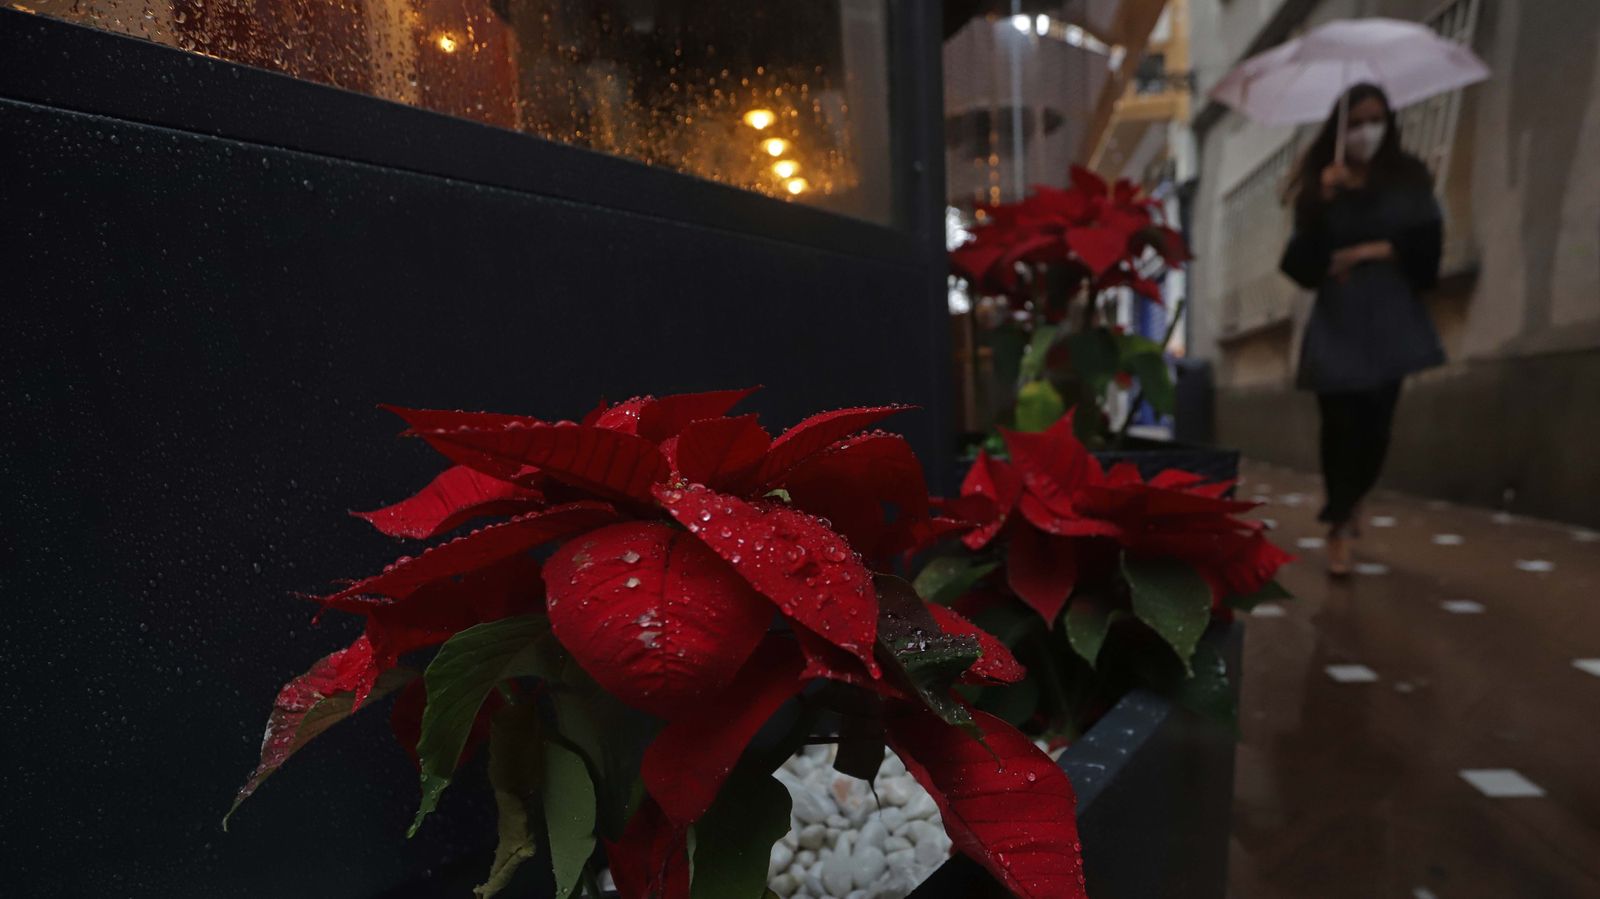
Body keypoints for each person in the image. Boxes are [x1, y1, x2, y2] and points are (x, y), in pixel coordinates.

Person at [1280, 83, 1445, 576]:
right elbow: (1300, 264)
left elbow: (1428, 246)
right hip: (1340, 316)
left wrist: (1371, 251)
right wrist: (1321, 203)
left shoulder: (1408, 176)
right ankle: (1338, 521)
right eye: (1355, 123)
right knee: (1338, 419)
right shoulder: (1322, 183)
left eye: (1375, 121)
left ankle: (1351, 501)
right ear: (1339, 128)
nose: (1366, 132)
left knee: (1376, 421)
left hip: (1391, 316)